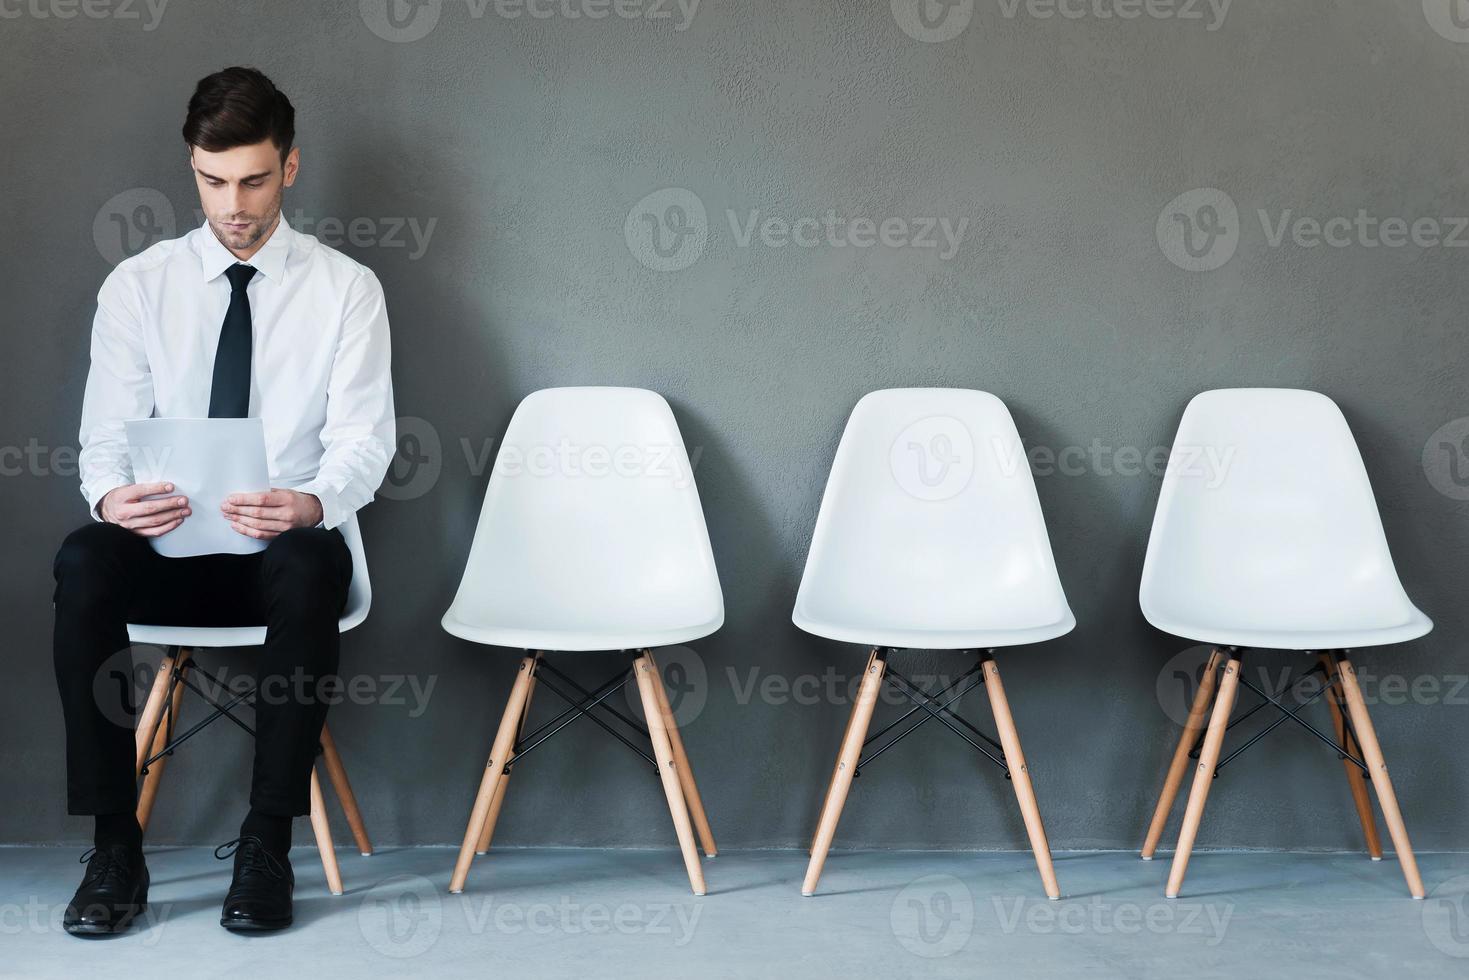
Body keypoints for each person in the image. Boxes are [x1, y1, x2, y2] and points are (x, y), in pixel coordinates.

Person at [53, 66, 394, 935]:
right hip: (168, 555)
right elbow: (102, 438)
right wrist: (112, 498)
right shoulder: (139, 285)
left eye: (252, 179)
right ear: (191, 169)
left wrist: (312, 503)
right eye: (212, 181)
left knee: (313, 557)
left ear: (291, 168)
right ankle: (114, 845)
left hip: (283, 563)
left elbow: (365, 441)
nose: (232, 203)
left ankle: (266, 843)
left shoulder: (345, 289)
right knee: (85, 557)